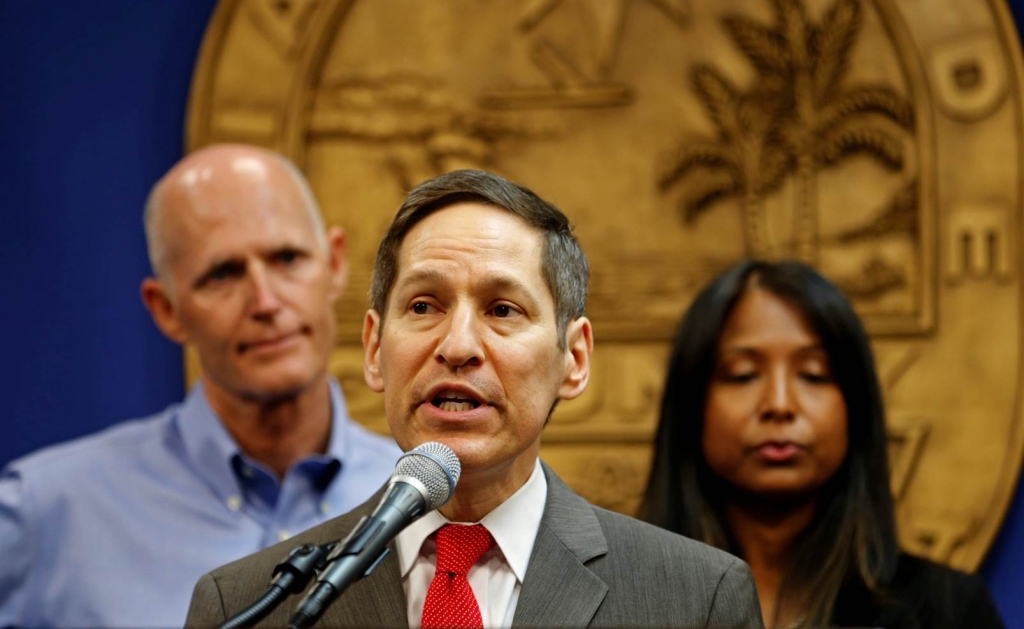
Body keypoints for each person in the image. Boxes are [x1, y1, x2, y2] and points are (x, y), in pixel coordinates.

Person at [185, 169, 765, 628]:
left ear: (575, 359)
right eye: (423, 306)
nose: (457, 346)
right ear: (373, 348)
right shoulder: (249, 602)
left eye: (502, 310)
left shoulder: (695, 599)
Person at [0, 145, 402, 628]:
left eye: (287, 258)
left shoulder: (424, 503)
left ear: (335, 265)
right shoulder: (46, 514)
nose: (266, 301)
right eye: (223, 274)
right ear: (166, 309)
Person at [640, 260, 1006, 629]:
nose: (780, 404)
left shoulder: (946, 609)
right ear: (691, 404)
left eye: (813, 375)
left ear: (855, 406)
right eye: (743, 375)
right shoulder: (623, 600)